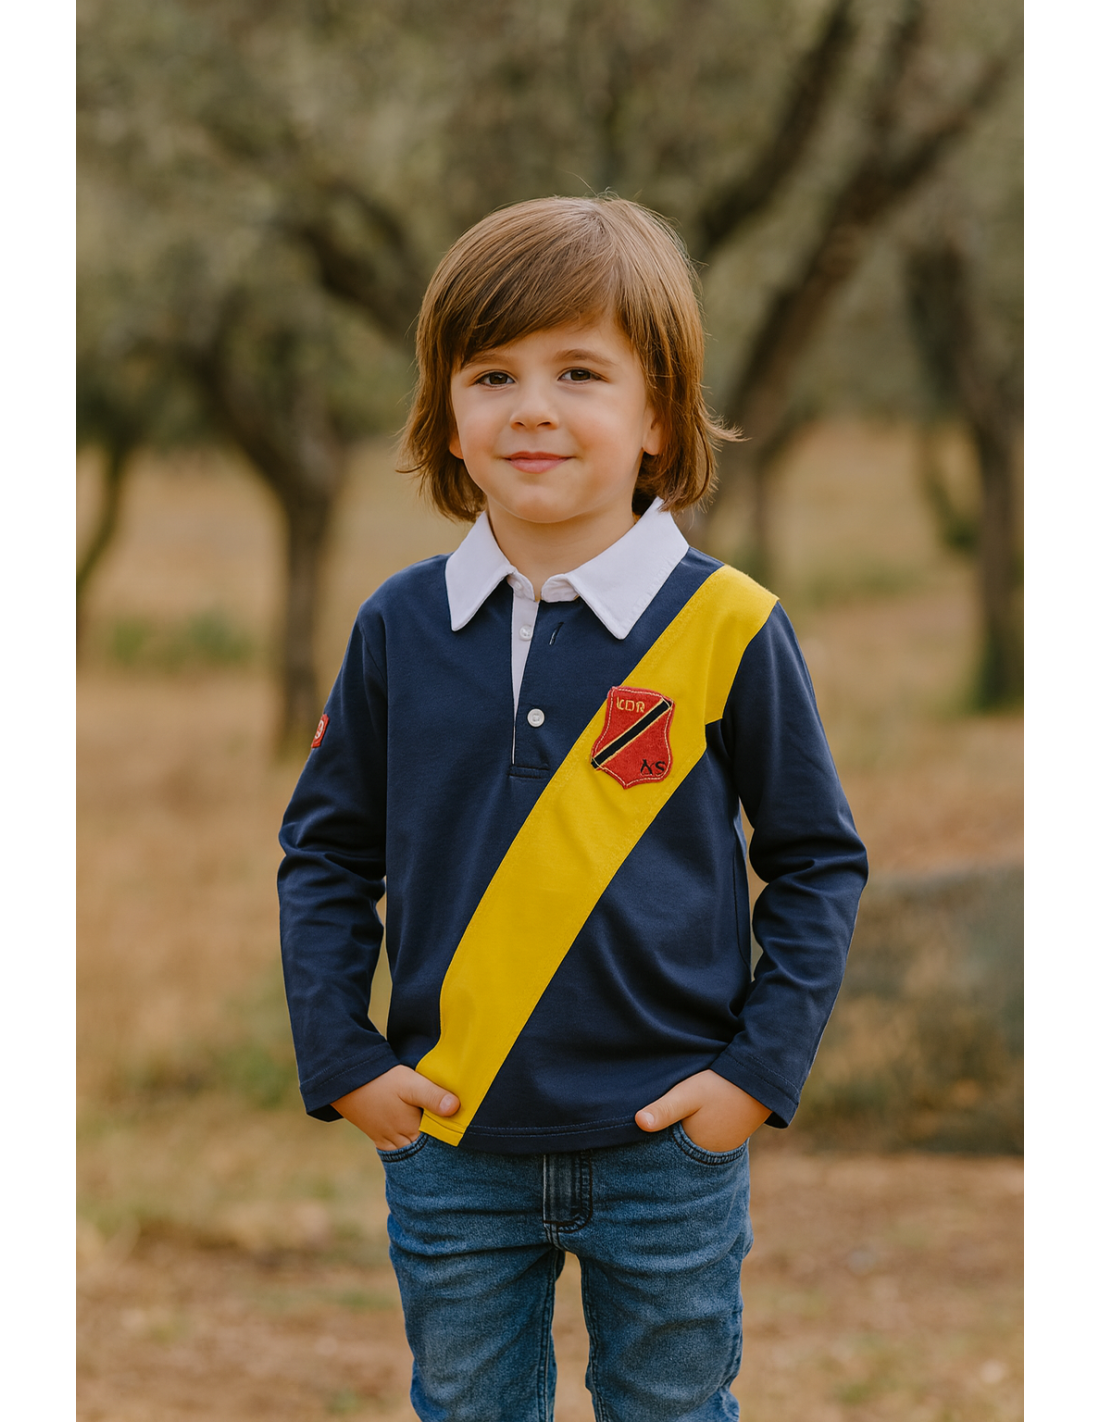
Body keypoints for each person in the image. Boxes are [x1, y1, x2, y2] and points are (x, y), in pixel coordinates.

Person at [278, 195, 868, 1422]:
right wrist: (343, 1056)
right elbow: (326, 854)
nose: (531, 408)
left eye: (580, 372)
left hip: (667, 1147)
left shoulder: (728, 626)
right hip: (450, 1143)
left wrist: (753, 1077)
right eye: (491, 374)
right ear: (447, 413)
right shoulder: (398, 626)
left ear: (658, 415)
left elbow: (816, 861)